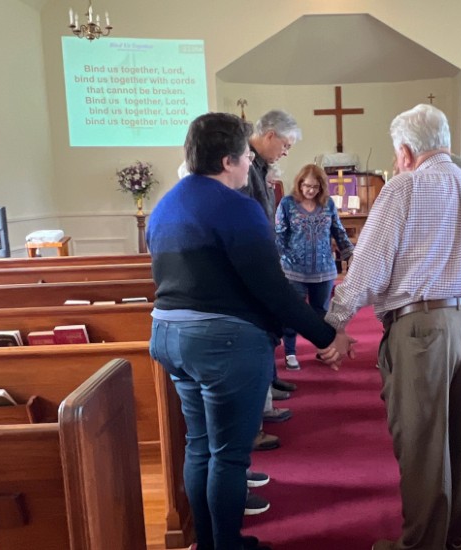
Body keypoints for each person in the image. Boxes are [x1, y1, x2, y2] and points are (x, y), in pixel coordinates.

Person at [147, 112, 352, 550]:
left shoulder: (165, 205)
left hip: (167, 335)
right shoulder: (237, 207)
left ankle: (207, 543)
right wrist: (327, 335)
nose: (249, 165)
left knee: (200, 446)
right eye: (244, 157)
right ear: (227, 161)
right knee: (229, 455)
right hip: (222, 342)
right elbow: (272, 289)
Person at [324, 104, 461, 550]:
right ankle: (460, 539)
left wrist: (335, 322)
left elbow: (368, 266)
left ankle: (423, 545)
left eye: (397, 154)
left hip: (423, 326)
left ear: (406, 151)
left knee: (423, 440)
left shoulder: (403, 188)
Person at [244, 110, 301, 427]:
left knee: (267, 331)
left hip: (264, 256)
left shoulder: (259, 166)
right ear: (269, 135)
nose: (286, 152)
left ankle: (268, 386)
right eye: (285, 145)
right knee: (259, 334)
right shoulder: (245, 164)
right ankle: (260, 407)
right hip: (254, 263)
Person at [275, 164, 354, 370]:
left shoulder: (328, 204)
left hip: (323, 270)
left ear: (321, 187)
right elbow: (280, 235)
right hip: (294, 269)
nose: (310, 190)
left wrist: (350, 255)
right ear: (299, 184)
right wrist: (276, 261)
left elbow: (338, 231)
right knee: (293, 312)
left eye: (315, 187)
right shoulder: (287, 204)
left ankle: (323, 349)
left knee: (322, 313)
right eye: (307, 186)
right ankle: (290, 352)